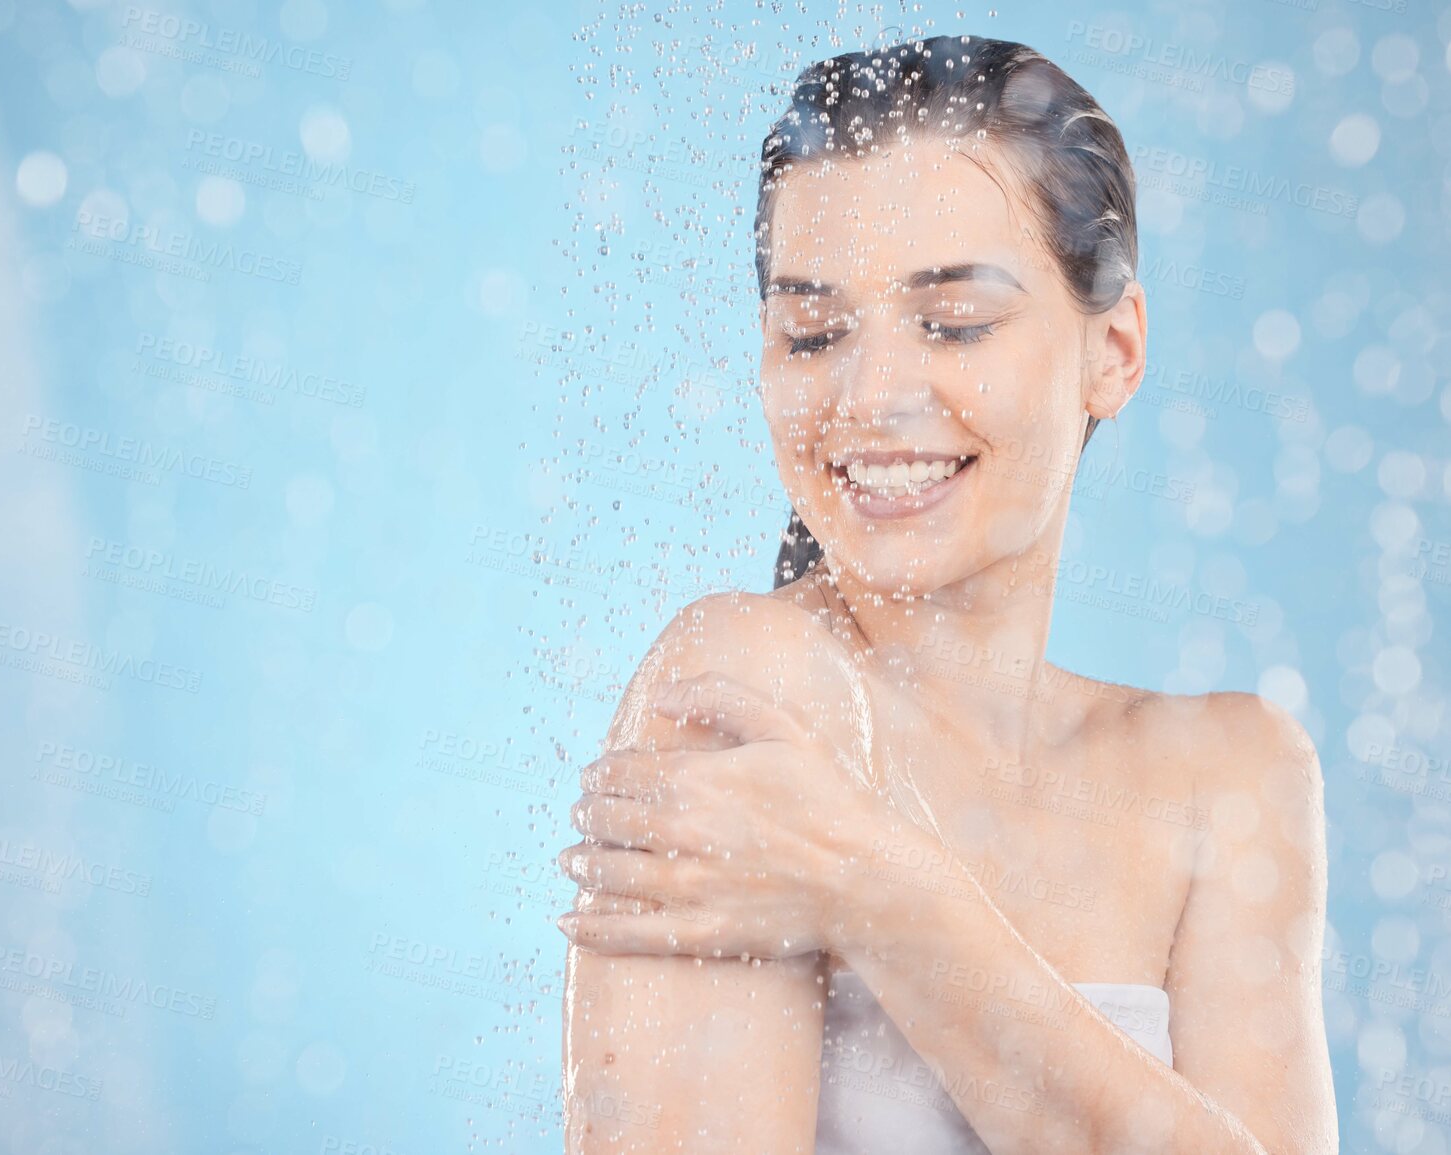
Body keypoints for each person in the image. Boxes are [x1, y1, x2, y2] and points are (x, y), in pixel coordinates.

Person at [556, 33, 1338, 1155]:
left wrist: (886, 897)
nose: (870, 397)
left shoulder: (1233, 777)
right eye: (814, 332)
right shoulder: (746, 694)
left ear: (1114, 351)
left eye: (956, 323)